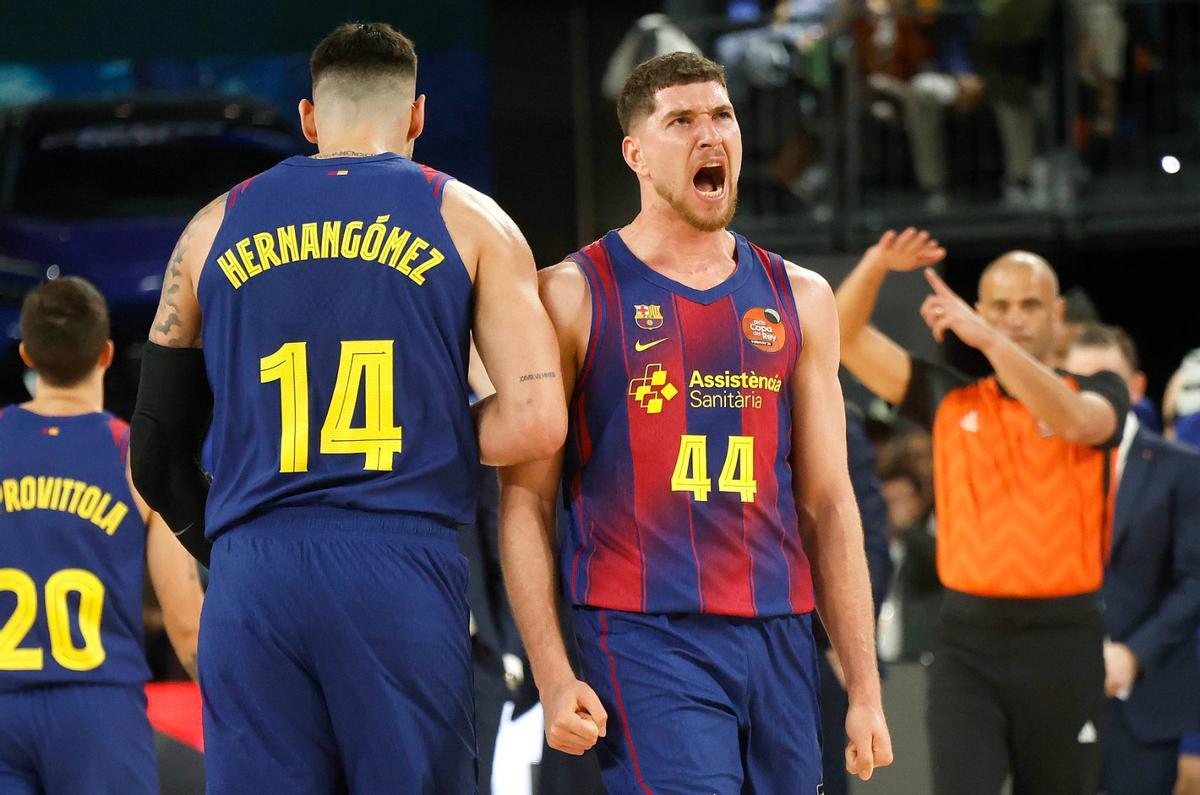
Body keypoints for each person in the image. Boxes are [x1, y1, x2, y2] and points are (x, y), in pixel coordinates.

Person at [129, 22, 566, 793]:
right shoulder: (473, 220)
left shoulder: (211, 227)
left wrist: (221, 550)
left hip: (254, 568)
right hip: (397, 563)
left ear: (307, 118)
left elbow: (157, 450)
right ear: (418, 116)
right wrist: (423, 434)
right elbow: (537, 421)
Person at [500, 52, 892, 794]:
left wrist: (864, 688)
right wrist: (554, 675)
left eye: (723, 116)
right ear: (636, 153)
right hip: (645, 630)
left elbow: (831, 503)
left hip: (779, 630)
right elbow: (523, 501)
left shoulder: (799, 296)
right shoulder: (573, 293)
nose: (709, 135)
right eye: (681, 120)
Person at [836, 235, 1129, 795]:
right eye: (998, 305)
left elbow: (1076, 423)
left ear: (1058, 314)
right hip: (968, 643)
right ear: (979, 307)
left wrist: (989, 339)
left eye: (1029, 305)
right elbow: (844, 339)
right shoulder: (951, 398)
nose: (1013, 318)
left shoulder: (1095, 388)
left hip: (1063, 642)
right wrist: (876, 265)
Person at [0, 277, 203, 794]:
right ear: (107, 354)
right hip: (99, 707)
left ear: (26, 354)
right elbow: (184, 620)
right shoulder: (135, 458)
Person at [1064, 323, 1200, 795]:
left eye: (1108, 381)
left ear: (1137, 386)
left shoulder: (1181, 468)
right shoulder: (1044, 469)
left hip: (1144, 698)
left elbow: (1196, 580)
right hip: (1053, 697)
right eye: (1077, 384)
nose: (1093, 396)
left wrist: (1134, 654)